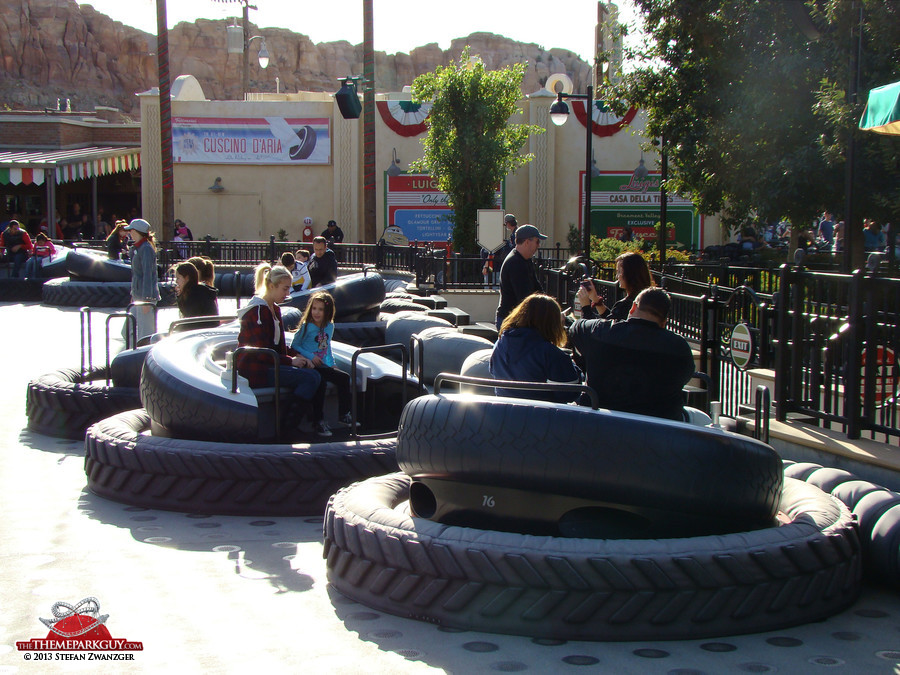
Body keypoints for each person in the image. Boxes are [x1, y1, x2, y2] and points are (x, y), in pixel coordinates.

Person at [568, 287, 696, 421]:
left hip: (600, 425)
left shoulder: (597, 331)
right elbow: (685, 375)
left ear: (633, 307)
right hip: (659, 432)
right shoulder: (679, 348)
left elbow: (575, 329)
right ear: (664, 322)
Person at [236, 263, 326, 437]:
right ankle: (287, 427)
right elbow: (261, 352)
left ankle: (315, 421)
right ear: (271, 286)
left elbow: (277, 346)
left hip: (268, 364)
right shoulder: (258, 312)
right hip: (256, 369)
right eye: (284, 289)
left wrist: (296, 355)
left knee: (316, 373)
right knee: (310, 378)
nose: (287, 294)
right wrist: (290, 361)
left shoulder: (274, 309)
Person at [490, 294, 582, 402]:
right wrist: (575, 365)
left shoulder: (500, 344)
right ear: (552, 323)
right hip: (542, 414)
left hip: (505, 410)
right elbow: (570, 393)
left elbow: (493, 371)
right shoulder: (551, 353)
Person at [290, 291, 358, 436]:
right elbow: (294, 345)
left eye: (320, 309)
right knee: (320, 383)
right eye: (314, 308)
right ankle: (318, 421)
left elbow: (327, 348)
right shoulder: (306, 326)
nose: (316, 312)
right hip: (309, 365)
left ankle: (344, 414)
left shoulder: (329, 326)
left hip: (322, 364)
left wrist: (332, 364)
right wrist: (310, 357)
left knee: (344, 378)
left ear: (327, 311)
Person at [495, 224, 546, 329]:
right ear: (527, 242)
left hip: (517, 319)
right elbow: (524, 298)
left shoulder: (525, 259)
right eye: (537, 241)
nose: (538, 245)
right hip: (510, 322)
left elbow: (537, 287)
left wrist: (549, 304)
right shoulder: (515, 263)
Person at [578, 251, 654, 322]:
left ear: (629, 274)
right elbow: (611, 321)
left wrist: (585, 306)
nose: (617, 277)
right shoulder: (650, 300)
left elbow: (601, 332)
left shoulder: (625, 306)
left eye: (619, 272)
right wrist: (596, 300)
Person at [123, 218, 160, 345]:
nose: (129, 233)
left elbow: (148, 275)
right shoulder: (138, 248)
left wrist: (147, 299)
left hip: (145, 298)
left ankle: (142, 356)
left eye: (131, 230)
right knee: (127, 330)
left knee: (146, 333)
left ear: (137, 231)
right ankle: (132, 352)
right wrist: (133, 295)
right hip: (138, 295)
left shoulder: (146, 249)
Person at [172, 261, 219, 328]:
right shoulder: (196, 291)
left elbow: (191, 320)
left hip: (204, 328)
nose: (176, 281)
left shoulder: (195, 294)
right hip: (204, 327)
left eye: (178, 278)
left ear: (187, 278)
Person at [481, 213, 517, 281]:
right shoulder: (512, 235)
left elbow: (491, 254)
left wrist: (485, 267)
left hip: (494, 269)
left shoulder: (498, 239)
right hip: (497, 268)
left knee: (492, 287)